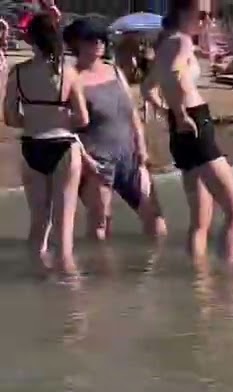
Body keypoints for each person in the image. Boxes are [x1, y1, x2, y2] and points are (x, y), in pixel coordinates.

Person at [145, 0, 233, 263]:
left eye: (209, 16)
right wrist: (179, 113)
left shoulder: (166, 42)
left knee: (200, 220)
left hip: (181, 131)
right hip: (194, 123)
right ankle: (231, 274)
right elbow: (176, 72)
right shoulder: (182, 42)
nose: (206, 21)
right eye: (200, 15)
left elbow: (147, 88)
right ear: (181, 13)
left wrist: (170, 112)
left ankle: (198, 282)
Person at [65, 19, 167, 243]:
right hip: (97, 161)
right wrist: (85, 160)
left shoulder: (114, 70)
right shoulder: (72, 77)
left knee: (156, 221)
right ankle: (101, 275)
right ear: (77, 43)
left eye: (102, 38)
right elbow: (68, 126)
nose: (99, 43)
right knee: (100, 225)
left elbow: (132, 112)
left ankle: (150, 275)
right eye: (93, 39)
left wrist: (141, 146)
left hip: (130, 156)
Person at [3, 11, 89, 272]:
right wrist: (59, 119)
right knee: (65, 226)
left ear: (31, 40)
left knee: (39, 223)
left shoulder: (18, 73)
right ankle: (70, 299)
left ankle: (37, 278)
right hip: (63, 146)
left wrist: (34, 120)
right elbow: (83, 118)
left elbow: (9, 117)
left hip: (32, 145)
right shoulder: (69, 73)